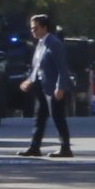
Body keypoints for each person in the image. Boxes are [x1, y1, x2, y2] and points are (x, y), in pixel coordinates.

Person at [23, 12, 73, 157]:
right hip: (41, 86)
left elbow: (62, 68)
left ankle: (65, 148)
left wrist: (60, 87)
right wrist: (29, 80)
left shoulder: (54, 43)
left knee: (57, 117)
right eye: (32, 28)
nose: (33, 31)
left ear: (44, 27)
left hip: (53, 87)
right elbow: (37, 66)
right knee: (39, 117)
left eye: (35, 28)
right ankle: (34, 146)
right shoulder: (40, 43)